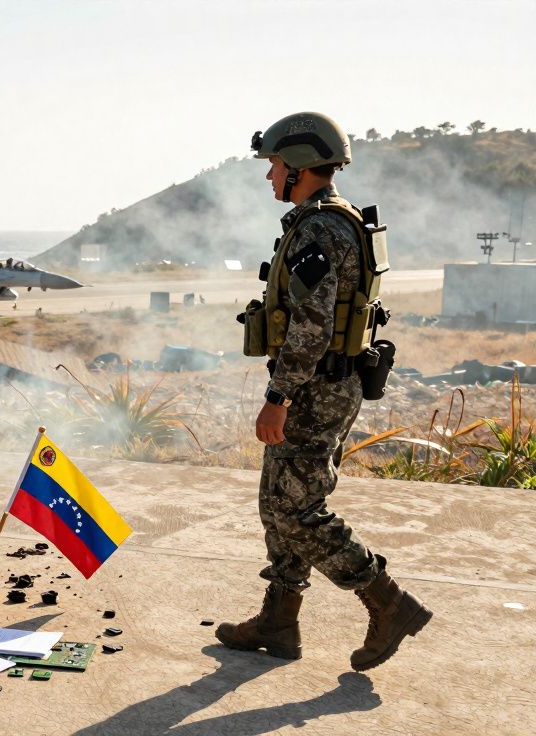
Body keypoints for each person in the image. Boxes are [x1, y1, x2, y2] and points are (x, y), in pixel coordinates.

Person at [215, 112, 431, 671]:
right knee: (276, 503)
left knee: (296, 509)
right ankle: (279, 622)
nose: (269, 176)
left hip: (318, 387)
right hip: (329, 380)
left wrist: (279, 395)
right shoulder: (331, 220)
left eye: (276, 165)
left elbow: (310, 326)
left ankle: (389, 601)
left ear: (302, 166)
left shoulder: (319, 229)